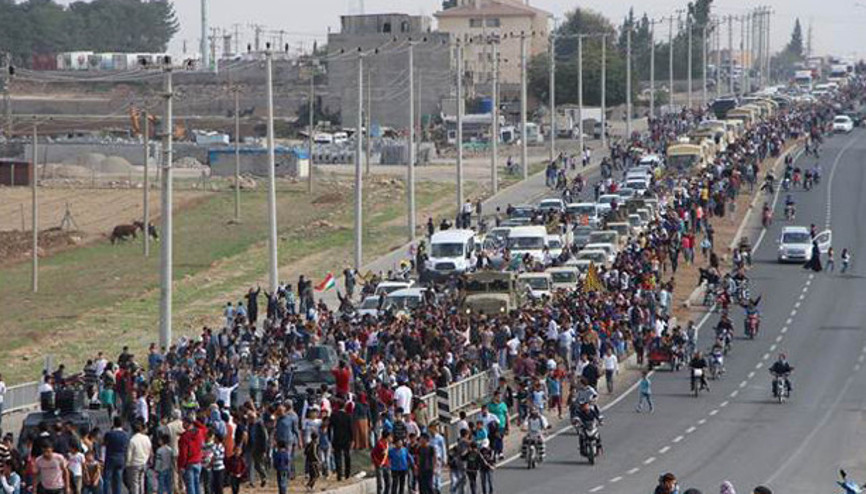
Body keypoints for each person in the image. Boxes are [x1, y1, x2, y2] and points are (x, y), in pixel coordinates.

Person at [103, 417, 129, 494]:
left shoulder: (109, 434)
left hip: (110, 458)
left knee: (107, 479)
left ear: (113, 423)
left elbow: (104, 444)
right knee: (118, 479)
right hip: (121, 458)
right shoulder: (125, 435)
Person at [126, 420, 151, 494]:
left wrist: (128, 464)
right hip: (143, 462)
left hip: (134, 464)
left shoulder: (132, 440)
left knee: (134, 483)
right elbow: (149, 449)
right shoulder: (146, 438)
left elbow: (129, 454)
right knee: (141, 482)